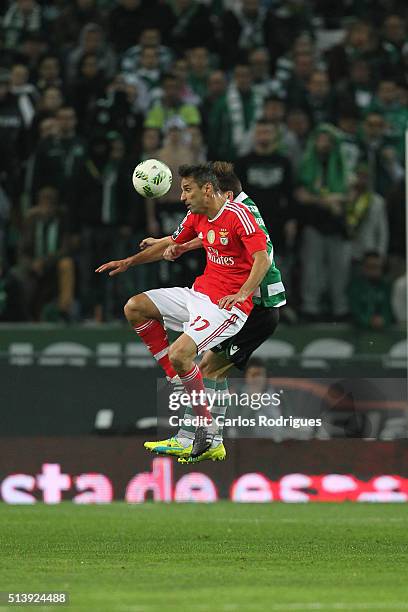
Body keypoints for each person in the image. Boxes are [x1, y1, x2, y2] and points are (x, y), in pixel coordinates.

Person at [96, 164, 269, 459]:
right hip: (198, 294)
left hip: (226, 306)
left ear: (207, 189)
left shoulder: (240, 216)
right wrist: (129, 262)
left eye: (187, 189)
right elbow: (171, 242)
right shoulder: (197, 215)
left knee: (181, 354)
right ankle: (176, 381)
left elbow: (262, 260)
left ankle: (202, 429)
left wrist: (241, 293)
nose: (181, 197)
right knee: (135, 306)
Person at [139, 161, 285, 463]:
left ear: (224, 193)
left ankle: (203, 438)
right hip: (241, 304)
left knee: (209, 369)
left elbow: (263, 256)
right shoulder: (233, 209)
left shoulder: (246, 215)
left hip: (257, 308)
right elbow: (213, 236)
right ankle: (206, 440)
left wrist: (244, 292)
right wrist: (177, 244)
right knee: (209, 370)